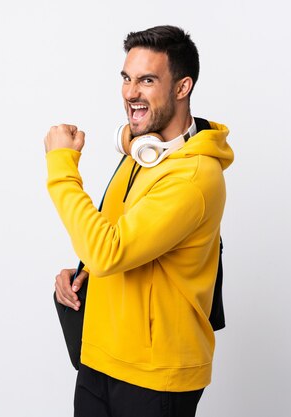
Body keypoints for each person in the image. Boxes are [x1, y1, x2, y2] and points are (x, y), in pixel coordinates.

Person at [44, 25, 234, 417]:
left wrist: (61, 166)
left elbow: (108, 251)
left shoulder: (193, 178)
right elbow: (114, 244)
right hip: (99, 360)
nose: (131, 92)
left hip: (154, 378)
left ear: (182, 88)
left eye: (147, 80)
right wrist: (84, 276)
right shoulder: (144, 153)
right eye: (127, 79)